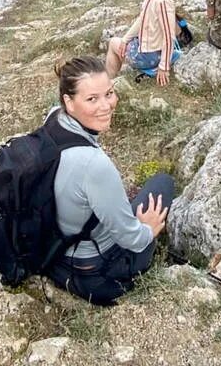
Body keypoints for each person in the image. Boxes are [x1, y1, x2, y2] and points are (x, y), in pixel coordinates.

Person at [46, 56, 174, 305]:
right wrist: (147, 229)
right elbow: (131, 239)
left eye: (109, 93)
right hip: (93, 265)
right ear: (68, 102)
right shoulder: (94, 166)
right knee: (163, 183)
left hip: (55, 245)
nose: (106, 105)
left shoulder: (53, 119)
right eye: (92, 99)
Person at [105, 0, 180, 86]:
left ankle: (107, 83)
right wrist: (126, 39)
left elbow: (169, 36)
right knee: (121, 42)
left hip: (150, 55)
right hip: (151, 48)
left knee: (113, 43)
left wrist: (164, 67)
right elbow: (142, 19)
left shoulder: (162, 0)